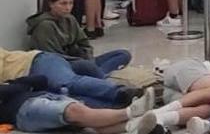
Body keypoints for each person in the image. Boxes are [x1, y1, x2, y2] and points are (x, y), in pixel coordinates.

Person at [0, 76, 159, 134]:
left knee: (86, 121)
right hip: (24, 109)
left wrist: (14, 84)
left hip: (42, 98)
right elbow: (12, 89)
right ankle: (131, 111)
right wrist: (15, 84)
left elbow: (41, 79)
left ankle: (131, 127)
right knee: (75, 112)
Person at [26, 0, 131, 79]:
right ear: (51, 4)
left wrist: (88, 58)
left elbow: (84, 43)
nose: (68, 8)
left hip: (79, 60)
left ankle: (96, 75)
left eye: (70, 3)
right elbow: (52, 58)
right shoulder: (44, 26)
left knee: (123, 54)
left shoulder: (70, 19)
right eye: (63, 3)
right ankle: (99, 76)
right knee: (85, 66)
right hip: (62, 65)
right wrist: (81, 61)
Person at [0, 47, 145, 111]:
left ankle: (121, 92)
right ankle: (123, 108)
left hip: (37, 62)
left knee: (68, 82)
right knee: (68, 98)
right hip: (32, 83)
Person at [151, 51, 210, 128]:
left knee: (209, 110)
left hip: (180, 94)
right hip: (188, 70)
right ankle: (159, 111)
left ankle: (161, 119)